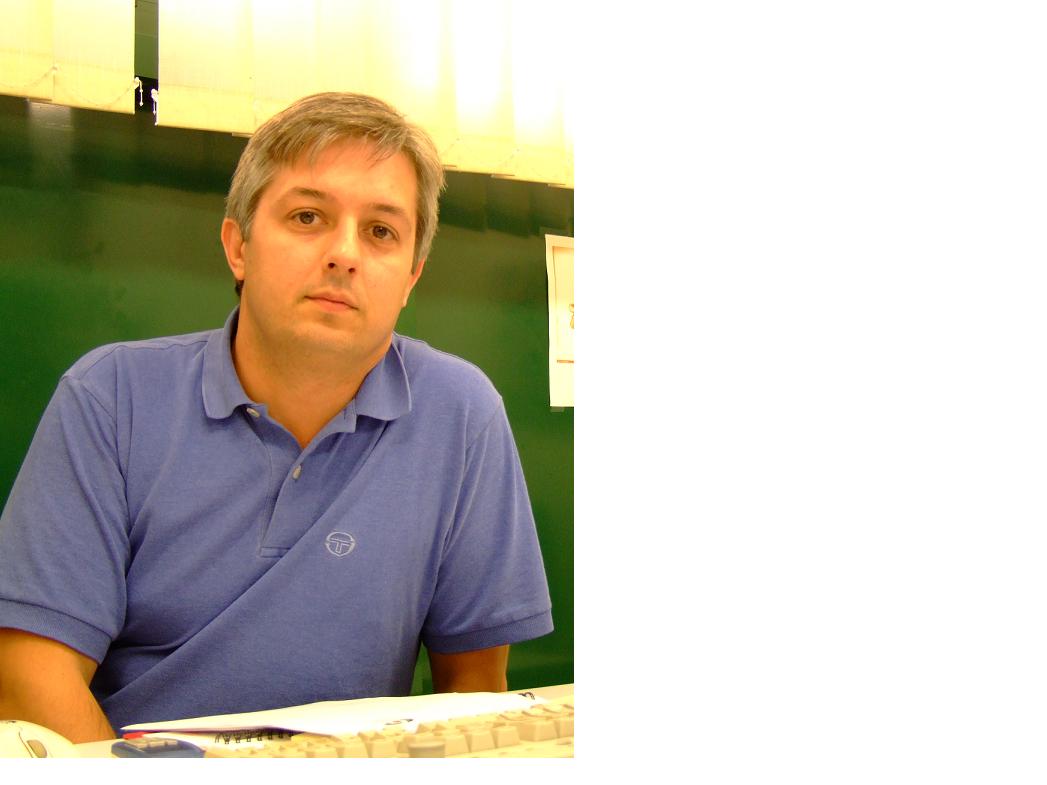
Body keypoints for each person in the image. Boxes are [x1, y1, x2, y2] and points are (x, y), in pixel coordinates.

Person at [0, 93, 553, 742]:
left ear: (411, 277)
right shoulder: (109, 398)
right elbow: (30, 674)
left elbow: (474, 689)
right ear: (238, 247)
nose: (344, 253)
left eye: (381, 231)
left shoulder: (462, 413)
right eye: (307, 216)